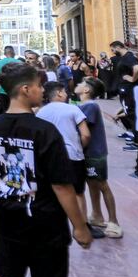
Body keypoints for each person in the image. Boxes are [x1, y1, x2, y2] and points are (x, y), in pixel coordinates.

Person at [0, 62, 93, 277]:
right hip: (46, 222)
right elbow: (62, 187)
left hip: (7, 217)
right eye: (38, 86)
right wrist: (80, 226)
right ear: (25, 89)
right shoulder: (45, 131)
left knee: (7, 276)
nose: (41, 91)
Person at [37, 82, 104, 239]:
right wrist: (79, 147)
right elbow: (86, 134)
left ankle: (50, 227)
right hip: (73, 156)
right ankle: (82, 226)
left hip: (49, 158)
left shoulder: (41, 112)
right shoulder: (73, 109)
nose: (67, 94)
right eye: (65, 92)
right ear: (59, 93)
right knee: (78, 193)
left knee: (50, 191)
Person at [76, 77, 122, 238]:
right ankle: (97, 215)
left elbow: (81, 129)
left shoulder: (90, 106)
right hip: (88, 153)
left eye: (81, 83)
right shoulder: (84, 106)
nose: (77, 85)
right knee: (92, 184)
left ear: (87, 90)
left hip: (94, 153)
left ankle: (114, 221)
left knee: (102, 185)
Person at [0, 46, 22, 115]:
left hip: (2, 91)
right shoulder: (19, 62)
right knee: (17, 111)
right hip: (16, 91)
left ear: (4, 53)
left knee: (5, 111)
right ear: (13, 52)